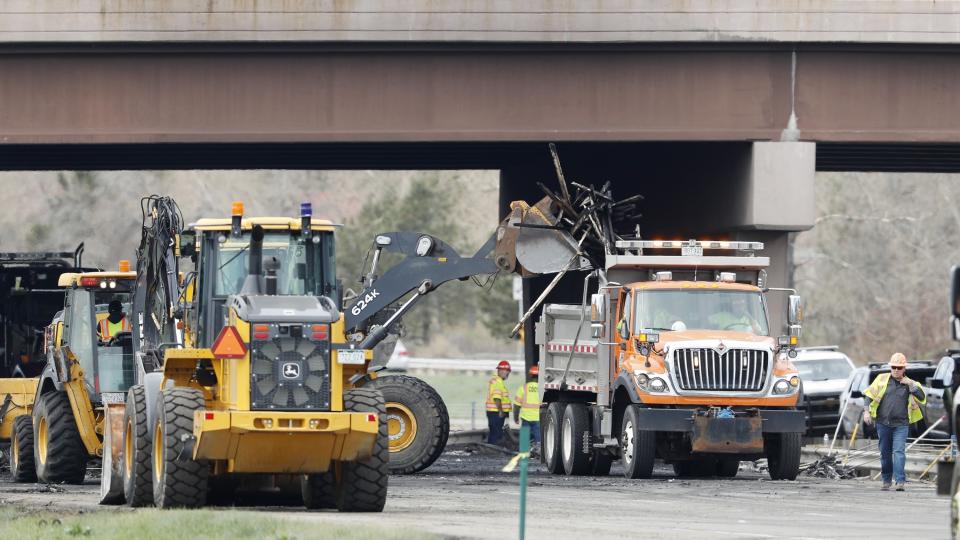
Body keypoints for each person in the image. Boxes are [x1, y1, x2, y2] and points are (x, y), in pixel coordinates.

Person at [863, 352, 927, 491]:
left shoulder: (911, 383)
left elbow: (922, 397)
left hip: (901, 425)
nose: (896, 370)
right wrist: (866, 412)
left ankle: (900, 481)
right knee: (885, 453)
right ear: (890, 367)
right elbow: (868, 395)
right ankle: (886, 480)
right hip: (882, 423)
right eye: (894, 367)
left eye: (899, 367)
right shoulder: (881, 379)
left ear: (904, 369)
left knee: (899, 452)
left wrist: (910, 384)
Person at [513, 364, 541, 451]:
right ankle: (538, 452)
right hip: (538, 419)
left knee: (524, 441)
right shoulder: (542, 389)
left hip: (526, 418)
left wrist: (516, 418)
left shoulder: (523, 388)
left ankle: (524, 452)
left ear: (530, 375)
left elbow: (516, 405)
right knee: (538, 440)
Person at [486, 360, 513, 445]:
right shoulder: (497, 382)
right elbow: (497, 398)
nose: (508, 374)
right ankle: (492, 450)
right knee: (496, 433)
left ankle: (492, 449)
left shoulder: (498, 381)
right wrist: (501, 411)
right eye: (507, 371)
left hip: (496, 412)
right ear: (501, 371)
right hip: (495, 412)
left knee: (496, 432)